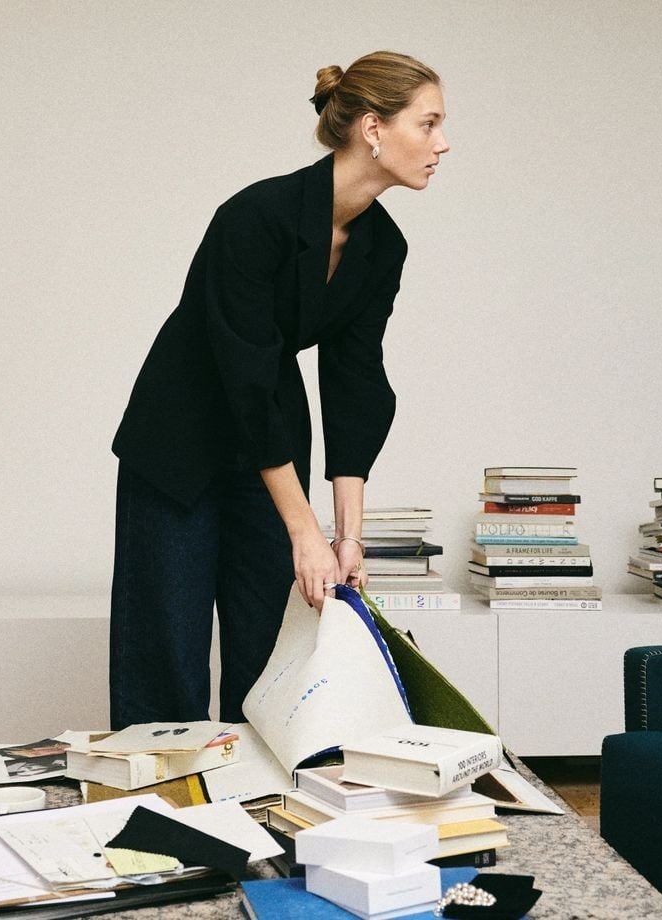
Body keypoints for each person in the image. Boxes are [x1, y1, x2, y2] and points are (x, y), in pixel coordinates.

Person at [109, 50, 449, 729]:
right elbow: (246, 373)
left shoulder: (383, 246)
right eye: (429, 123)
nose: (443, 143)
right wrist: (304, 530)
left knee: (269, 660)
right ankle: (168, 795)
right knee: (166, 660)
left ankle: (258, 796)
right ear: (374, 128)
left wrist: (347, 537)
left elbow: (356, 382)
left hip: (268, 444)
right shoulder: (256, 216)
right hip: (180, 435)